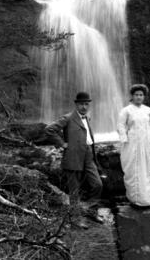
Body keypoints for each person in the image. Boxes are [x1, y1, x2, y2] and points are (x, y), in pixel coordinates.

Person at [45, 92, 103, 225]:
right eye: (82, 104)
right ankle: (76, 219)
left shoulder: (87, 117)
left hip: (88, 155)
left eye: (86, 104)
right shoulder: (68, 118)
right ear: (76, 104)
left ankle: (91, 212)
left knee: (97, 184)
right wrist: (62, 144)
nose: (84, 107)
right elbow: (49, 129)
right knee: (74, 190)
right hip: (73, 156)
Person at [117, 84, 150, 207]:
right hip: (132, 144)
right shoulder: (126, 110)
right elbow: (120, 126)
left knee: (146, 169)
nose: (138, 97)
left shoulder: (148, 110)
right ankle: (134, 199)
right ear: (132, 96)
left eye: (141, 95)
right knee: (133, 170)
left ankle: (146, 199)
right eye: (136, 95)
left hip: (146, 144)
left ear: (144, 96)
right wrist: (124, 139)